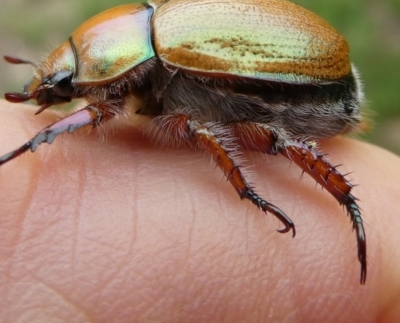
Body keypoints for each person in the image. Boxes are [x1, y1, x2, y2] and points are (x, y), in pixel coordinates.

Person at [1, 99, 399, 322]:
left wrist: (38, 138)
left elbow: (97, 110)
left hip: (304, 93)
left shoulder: (147, 86)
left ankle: (345, 199)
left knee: (268, 139)